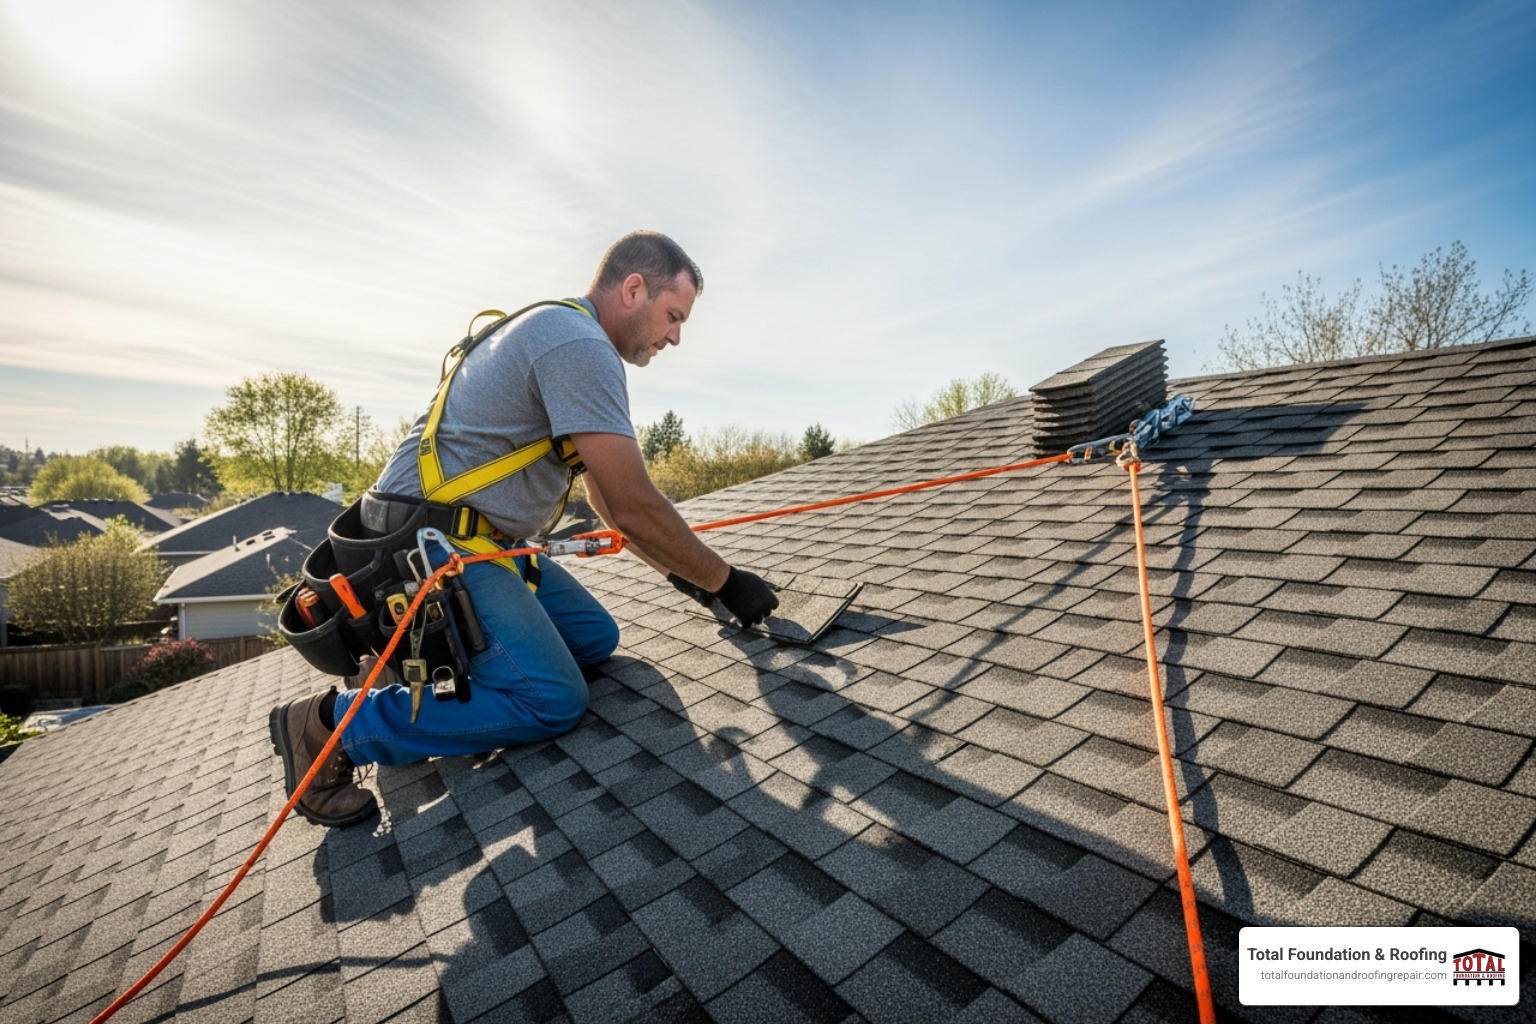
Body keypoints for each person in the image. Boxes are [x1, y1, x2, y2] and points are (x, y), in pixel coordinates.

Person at [269, 231, 779, 827]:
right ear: (633, 288)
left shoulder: (557, 328)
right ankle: (330, 728)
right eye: (673, 316)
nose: (675, 337)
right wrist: (725, 582)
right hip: (429, 547)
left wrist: (687, 578)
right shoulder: (578, 344)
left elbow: (607, 500)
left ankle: (424, 669)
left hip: (462, 538)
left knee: (593, 638)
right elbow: (634, 505)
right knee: (552, 699)